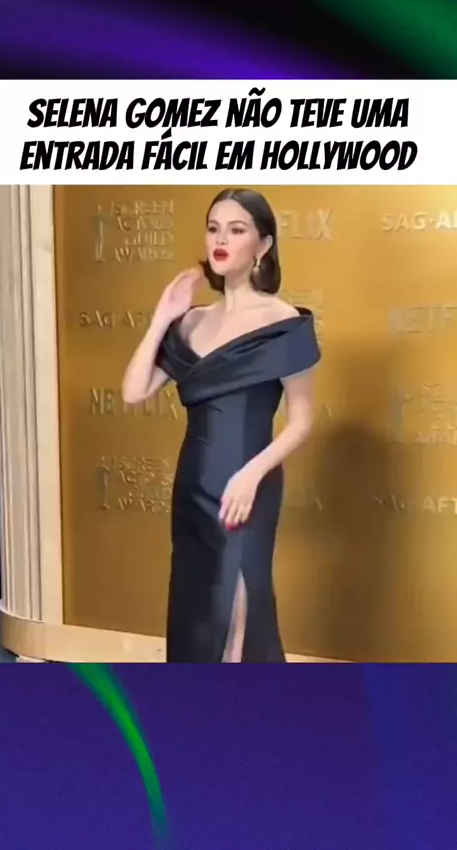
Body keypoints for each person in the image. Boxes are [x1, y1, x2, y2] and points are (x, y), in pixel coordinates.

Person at [122, 188, 321, 663]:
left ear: (263, 245)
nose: (221, 240)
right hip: (195, 485)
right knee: (198, 608)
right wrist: (162, 318)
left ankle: (242, 705)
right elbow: (133, 392)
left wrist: (252, 474)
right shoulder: (191, 323)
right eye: (214, 229)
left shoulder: (282, 321)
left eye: (236, 230)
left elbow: (302, 421)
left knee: (238, 611)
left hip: (248, 485)